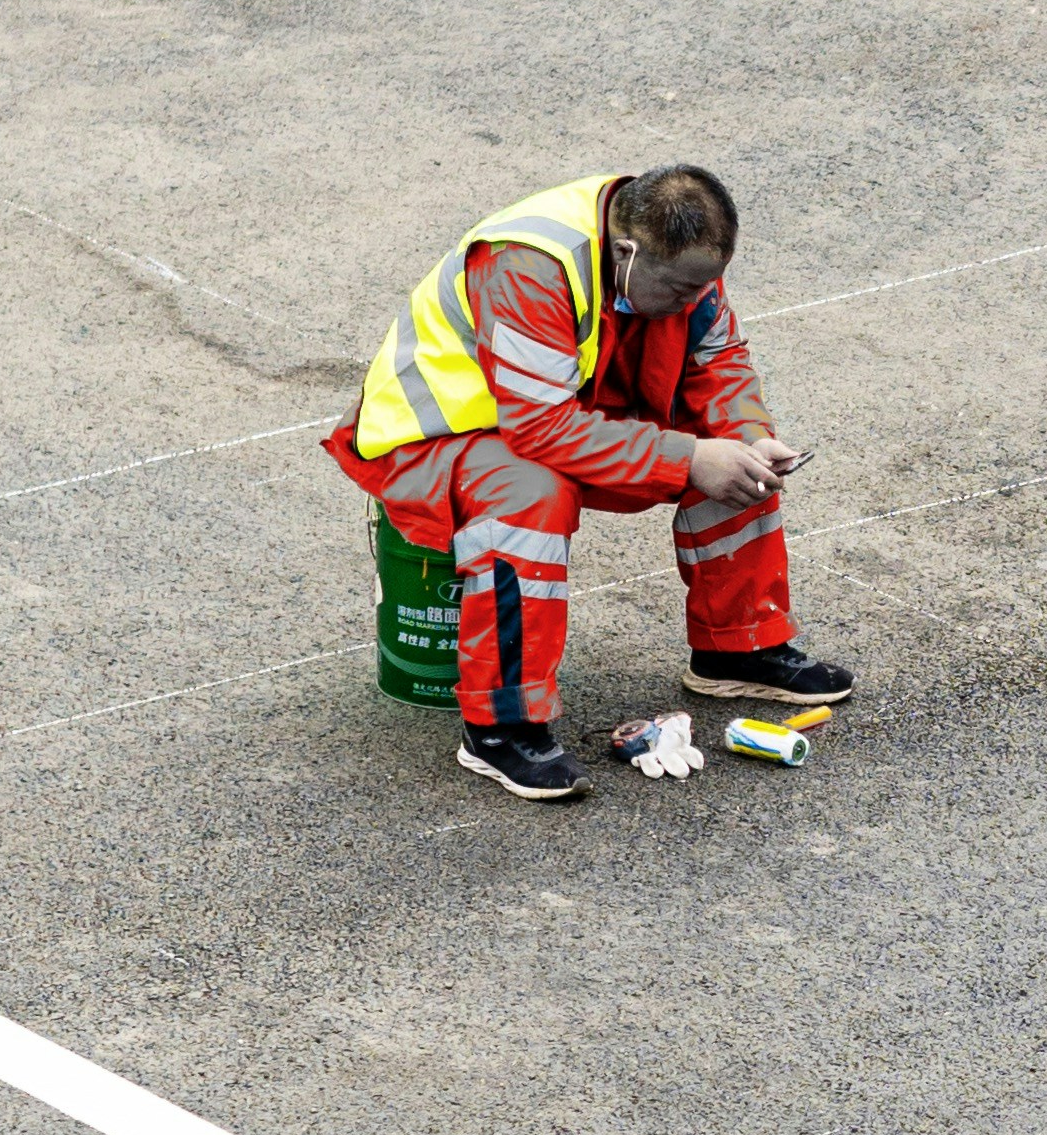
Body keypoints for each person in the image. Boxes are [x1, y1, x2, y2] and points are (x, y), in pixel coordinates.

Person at [322, 164, 851, 799]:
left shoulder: (668, 250)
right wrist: (687, 459)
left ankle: (737, 649)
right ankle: (498, 729)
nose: (695, 302)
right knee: (527, 494)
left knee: (735, 456)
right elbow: (540, 430)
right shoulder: (528, 266)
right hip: (435, 438)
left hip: (557, 409)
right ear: (627, 254)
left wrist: (746, 433)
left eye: (706, 287)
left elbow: (719, 360)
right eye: (683, 290)